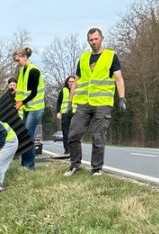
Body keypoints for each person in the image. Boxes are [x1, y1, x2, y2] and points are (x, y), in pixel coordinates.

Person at [64, 27, 126, 176]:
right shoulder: (84, 58)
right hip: (83, 103)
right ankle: (74, 164)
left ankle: (96, 168)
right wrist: (70, 101)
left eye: (96, 39)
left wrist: (122, 97)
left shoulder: (111, 56)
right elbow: (77, 81)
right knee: (73, 134)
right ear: (88, 41)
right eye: (91, 40)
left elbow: (118, 78)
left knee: (98, 136)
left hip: (102, 103)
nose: (93, 42)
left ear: (102, 38)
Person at [12, 46, 45, 170]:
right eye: (15, 60)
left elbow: (34, 93)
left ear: (25, 57)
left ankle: (30, 166)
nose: (17, 63)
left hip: (35, 107)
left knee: (28, 135)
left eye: (18, 60)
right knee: (24, 134)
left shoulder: (33, 71)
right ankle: (24, 164)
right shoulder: (23, 70)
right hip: (27, 106)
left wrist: (22, 102)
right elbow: (22, 89)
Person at [56, 75, 76, 155]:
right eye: (69, 81)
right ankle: (67, 150)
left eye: (73, 81)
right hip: (65, 114)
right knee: (65, 133)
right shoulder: (63, 90)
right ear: (67, 82)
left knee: (74, 133)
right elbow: (59, 102)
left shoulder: (78, 90)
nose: (71, 83)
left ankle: (74, 150)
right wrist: (58, 112)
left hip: (75, 114)